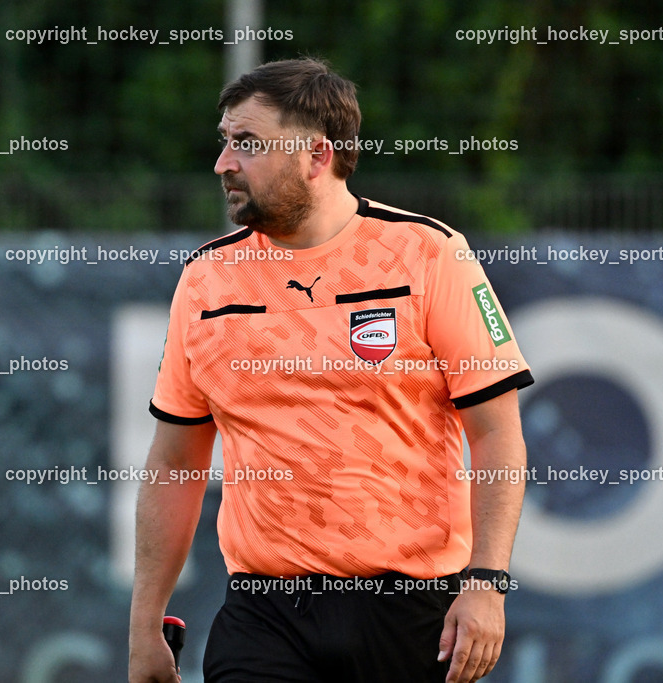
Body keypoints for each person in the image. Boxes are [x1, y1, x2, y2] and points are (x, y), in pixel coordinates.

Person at [129, 57, 533, 683]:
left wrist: (486, 582)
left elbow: (496, 431)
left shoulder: (428, 254)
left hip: (411, 612)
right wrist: (144, 624)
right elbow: (175, 461)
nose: (223, 163)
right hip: (263, 614)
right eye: (225, 142)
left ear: (317, 155)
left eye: (248, 143)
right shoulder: (206, 279)